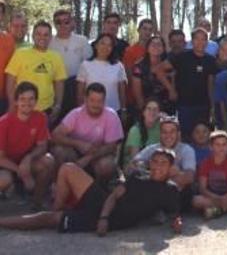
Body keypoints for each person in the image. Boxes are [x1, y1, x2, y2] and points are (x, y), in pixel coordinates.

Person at [0, 149, 182, 236]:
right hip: (104, 207)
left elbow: (174, 213)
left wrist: (176, 223)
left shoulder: (170, 189)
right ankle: (58, 208)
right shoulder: (137, 177)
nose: (157, 166)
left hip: (115, 221)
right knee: (68, 168)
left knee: (46, 219)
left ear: (170, 168)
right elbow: (113, 196)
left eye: (163, 163)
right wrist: (103, 217)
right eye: (155, 161)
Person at [51, 83, 123, 181]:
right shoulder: (75, 114)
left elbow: (112, 146)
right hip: (74, 153)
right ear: (85, 99)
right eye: (92, 100)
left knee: (107, 165)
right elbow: (55, 135)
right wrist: (78, 144)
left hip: (98, 154)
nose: (96, 104)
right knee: (59, 151)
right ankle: (60, 183)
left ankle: (100, 191)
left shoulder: (111, 116)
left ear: (104, 101)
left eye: (99, 101)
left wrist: (89, 158)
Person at [0, 82, 55, 207]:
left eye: (31, 99)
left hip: (26, 162)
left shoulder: (40, 117)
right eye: (22, 99)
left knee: (48, 160)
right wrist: (22, 172)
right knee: (3, 180)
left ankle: (37, 202)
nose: (27, 103)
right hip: (6, 166)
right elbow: (0, 157)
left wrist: (28, 159)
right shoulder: (4, 122)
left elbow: (42, 145)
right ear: (15, 102)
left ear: (36, 101)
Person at [159, 28, 217, 138]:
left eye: (203, 39)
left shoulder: (210, 60)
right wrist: (171, 90)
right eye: (197, 39)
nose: (200, 42)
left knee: (203, 137)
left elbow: (210, 84)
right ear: (192, 41)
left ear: (207, 41)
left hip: (203, 105)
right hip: (184, 105)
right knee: (185, 136)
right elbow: (159, 70)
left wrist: (212, 106)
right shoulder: (182, 57)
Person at [5, 21, 67, 122]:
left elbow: (59, 83)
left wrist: (58, 105)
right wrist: (12, 103)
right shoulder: (20, 54)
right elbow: (10, 80)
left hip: (46, 110)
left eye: (46, 35)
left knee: (42, 137)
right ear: (33, 35)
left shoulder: (56, 57)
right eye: (38, 34)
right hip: (22, 108)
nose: (42, 37)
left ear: (51, 37)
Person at [129, 115, 197, 193]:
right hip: (152, 189)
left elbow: (189, 176)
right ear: (160, 134)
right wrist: (149, 168)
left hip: (175, 192)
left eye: (172, 132)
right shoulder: (152, 148)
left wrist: (166, 175)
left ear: (178, 134)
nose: (168, 135)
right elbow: (133, 165)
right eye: (164, 132)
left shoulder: (186, 150)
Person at [48, 9, 92, 117]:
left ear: (72, 23)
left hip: (76, 85)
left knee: (75, 117)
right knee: (56, 116)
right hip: (54, 85)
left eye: (66, 21)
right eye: (58, 22)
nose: (62, 25)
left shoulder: (82, 40)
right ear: (54, 24)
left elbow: (89, 65)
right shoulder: (49, 42)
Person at [76, 33, 128, 114]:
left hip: (113, 111)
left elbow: (122, 91)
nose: (105, 47)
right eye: (102, 43)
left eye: (109, 45)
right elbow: (80, 92)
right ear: (96, 45)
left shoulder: (118, 66)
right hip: (91, 111)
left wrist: (124, 109)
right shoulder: (85, 65)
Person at [130, 35, 175, 113]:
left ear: (164, 48)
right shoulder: (139, 68)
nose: (156, 46)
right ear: (147, 48)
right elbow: (138, 95)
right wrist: (144, 112)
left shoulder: (170, 65)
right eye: (153, 44)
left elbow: (173, 90)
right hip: (147, 109)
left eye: (159, 44)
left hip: (167, 108)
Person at [122, 98, 161, 164]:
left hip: (156, 163)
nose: (152, 112)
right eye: (149, 109)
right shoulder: (135, 130)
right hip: (135, 166)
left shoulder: (161, 126)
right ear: (143, 112)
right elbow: (135, 158)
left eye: (155, 109)